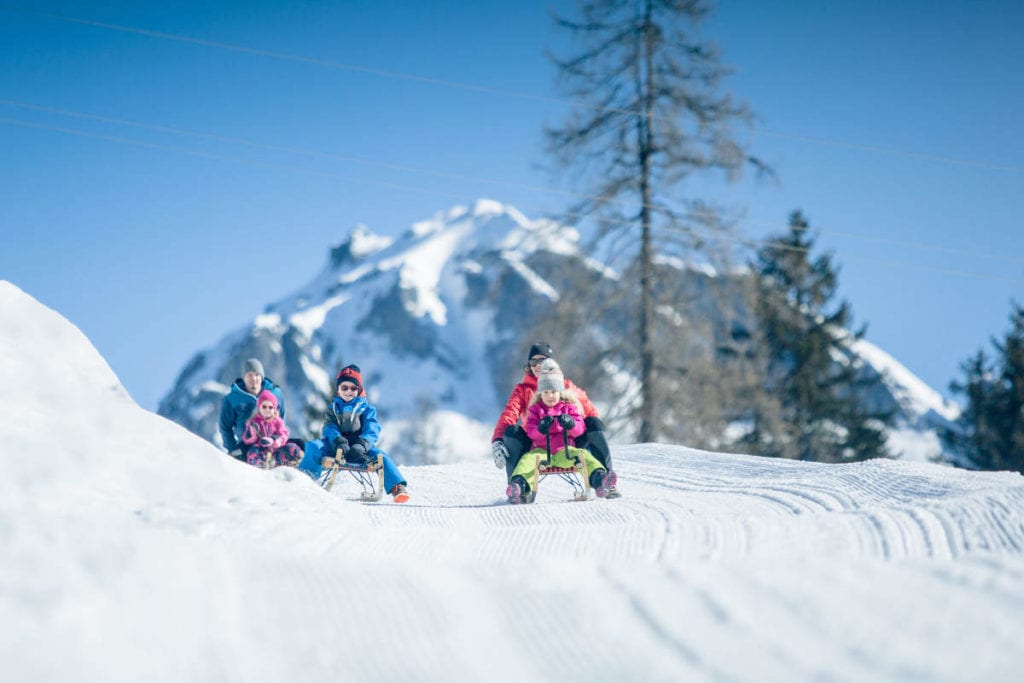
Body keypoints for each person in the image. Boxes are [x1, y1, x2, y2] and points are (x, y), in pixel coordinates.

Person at [490, 342, 618, 496]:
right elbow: (509, 415)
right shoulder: (523, 390)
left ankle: (604, 482)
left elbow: (590, 412)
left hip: (568, 442)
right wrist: (498, 439)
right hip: (537, 443)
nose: (538, 365)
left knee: (593, 422)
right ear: (529, 365)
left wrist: (574, 426)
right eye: (533, 362)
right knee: (512, 432)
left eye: (542, 361)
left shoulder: (566, 387)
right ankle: (519, 489)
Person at [298, 364, 410, 503]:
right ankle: (305, 479)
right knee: (313, 446)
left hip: (360, 450)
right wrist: (337, 440)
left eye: (353, 388)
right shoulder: (334, 408)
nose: (348, 391)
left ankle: (397, 487)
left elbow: (372, 428)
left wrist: (362, 444)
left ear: (359, 389)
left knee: (381, 458)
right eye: (344, 387)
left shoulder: (367, 409)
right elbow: (329, 426)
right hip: (336, 447)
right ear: (338, 389)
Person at [219, 358, 286, 460]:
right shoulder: (232, 399)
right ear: (243, 377)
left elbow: (281, 416)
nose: (253, 378)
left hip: (272, 443)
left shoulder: (275, 393)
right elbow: (225, 427)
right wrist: (233, 448)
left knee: (297, 447)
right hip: (246, 447)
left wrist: (277, 438)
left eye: (256, 374)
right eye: (249, 375)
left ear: (262, 377)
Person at [240, 390, 303, 468]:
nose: (267, 410)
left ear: (274, 409)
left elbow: (283, 434)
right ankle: (257, 467)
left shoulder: (278, 421)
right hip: (262, 451)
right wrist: (252, 434)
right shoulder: (254, 421)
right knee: (253, 450)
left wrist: (274, 440)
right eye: (264, 407)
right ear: (259, 408)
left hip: (277, 450)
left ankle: (291, 465)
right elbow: (246, 440)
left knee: (292, 447)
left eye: (270, 407)